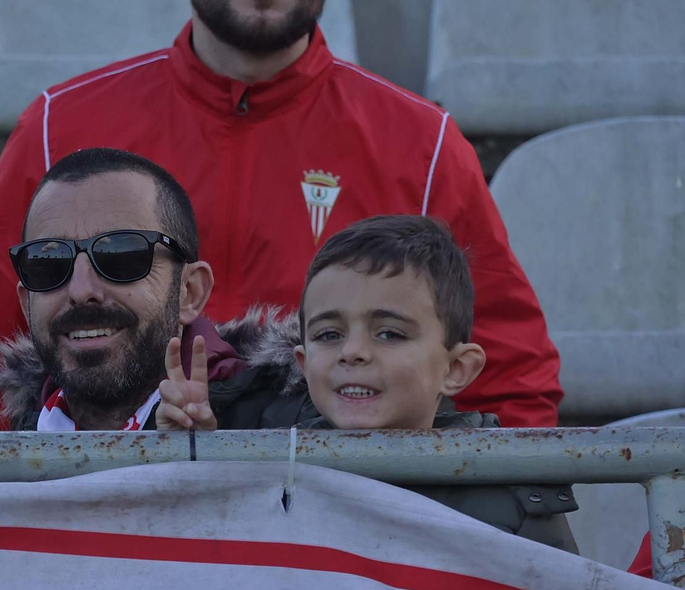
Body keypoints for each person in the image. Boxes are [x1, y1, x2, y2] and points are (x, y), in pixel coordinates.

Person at [0, 0, 562, 428]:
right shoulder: (61, 125)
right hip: (112, 506)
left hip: (333, 514)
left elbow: (511, 387)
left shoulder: (423, 145)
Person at [155, 215, 578, 550]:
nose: (352, 351)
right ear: (302, 362)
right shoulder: (263, 470)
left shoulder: (512, 494)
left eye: (389, 333)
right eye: (329, 335)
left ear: (455, 369)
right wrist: (196, 460)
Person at [0, 148, 225, 432]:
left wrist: (207, 465)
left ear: (190, 291)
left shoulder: (280, 436)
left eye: (120, 256)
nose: (81, 290)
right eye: (49, 261)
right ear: (27, 302)